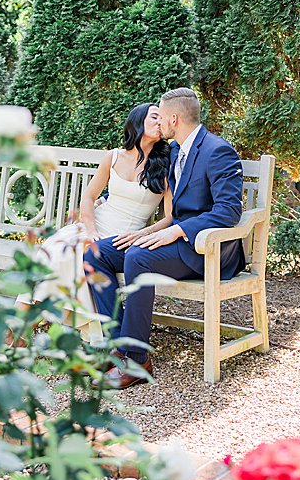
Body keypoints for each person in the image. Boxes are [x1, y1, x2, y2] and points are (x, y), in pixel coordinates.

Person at [85, 87, 245, 390]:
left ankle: (137, 359)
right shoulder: (174, 152)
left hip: (206, 249)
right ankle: (118, 346)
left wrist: (177, 230)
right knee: (96, 254)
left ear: (174, 118)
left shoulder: (217, 150)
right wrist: (147, 231)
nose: (159, 123)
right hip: (174, 241)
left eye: (162, 116)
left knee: (138, 257)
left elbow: (229, 211)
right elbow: (169, 209)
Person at [16, 103, 172, 341]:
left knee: (75, 257)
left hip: (125, 237)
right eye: (155, 117)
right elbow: (89, 198)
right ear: (138, 121)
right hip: (94, 227)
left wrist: (143, 235)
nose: (160, 122)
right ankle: (19, 329)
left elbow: (169, 217)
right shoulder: (113, 157)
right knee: (53, 252)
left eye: (163, 118)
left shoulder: (164, 164)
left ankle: (22, 329)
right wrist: (91, 230)